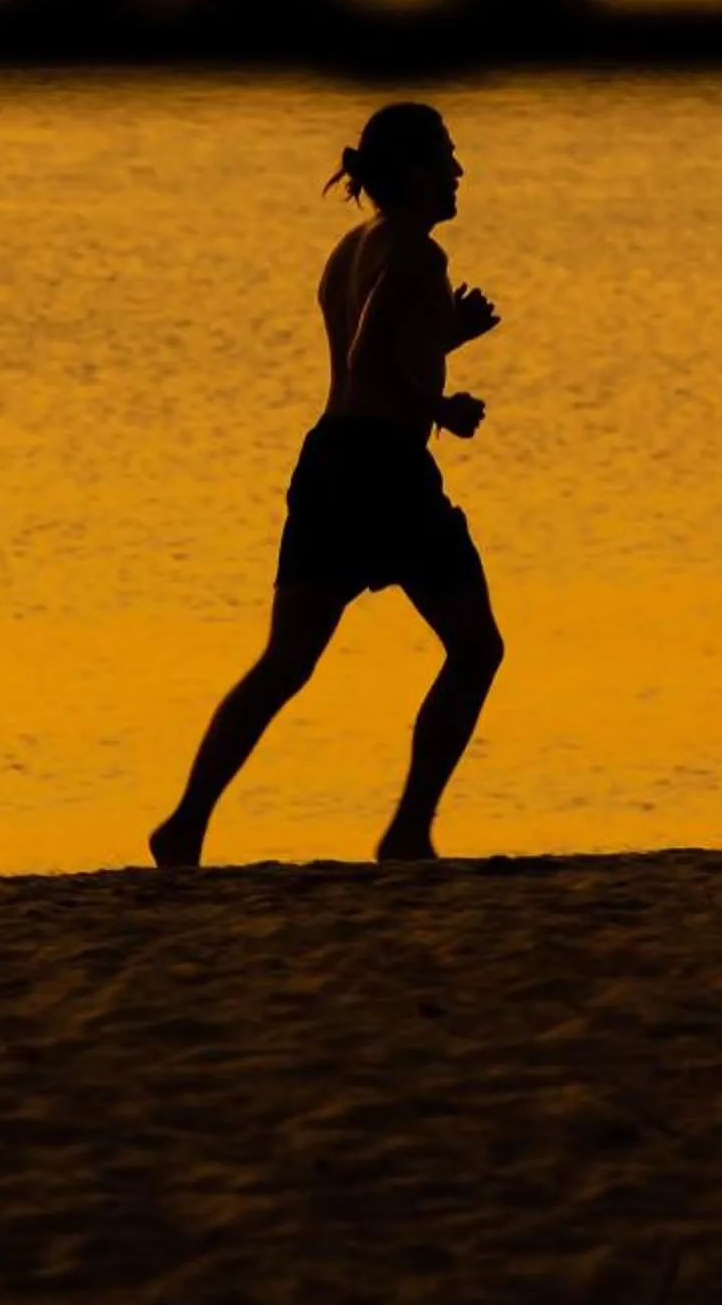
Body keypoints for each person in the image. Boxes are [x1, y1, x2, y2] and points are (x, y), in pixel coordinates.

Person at [150, 101, 506, 867]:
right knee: (476, 649)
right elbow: (373, 360)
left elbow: (374, 350)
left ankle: (185, 824)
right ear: (411, 171)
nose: (457, 172)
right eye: (445, 157)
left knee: (285, 662)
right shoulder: (415, 253)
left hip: (330, 465)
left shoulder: (351, 248)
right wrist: (440, 405)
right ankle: (409, 829)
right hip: (388, 474)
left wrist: (451, 336)